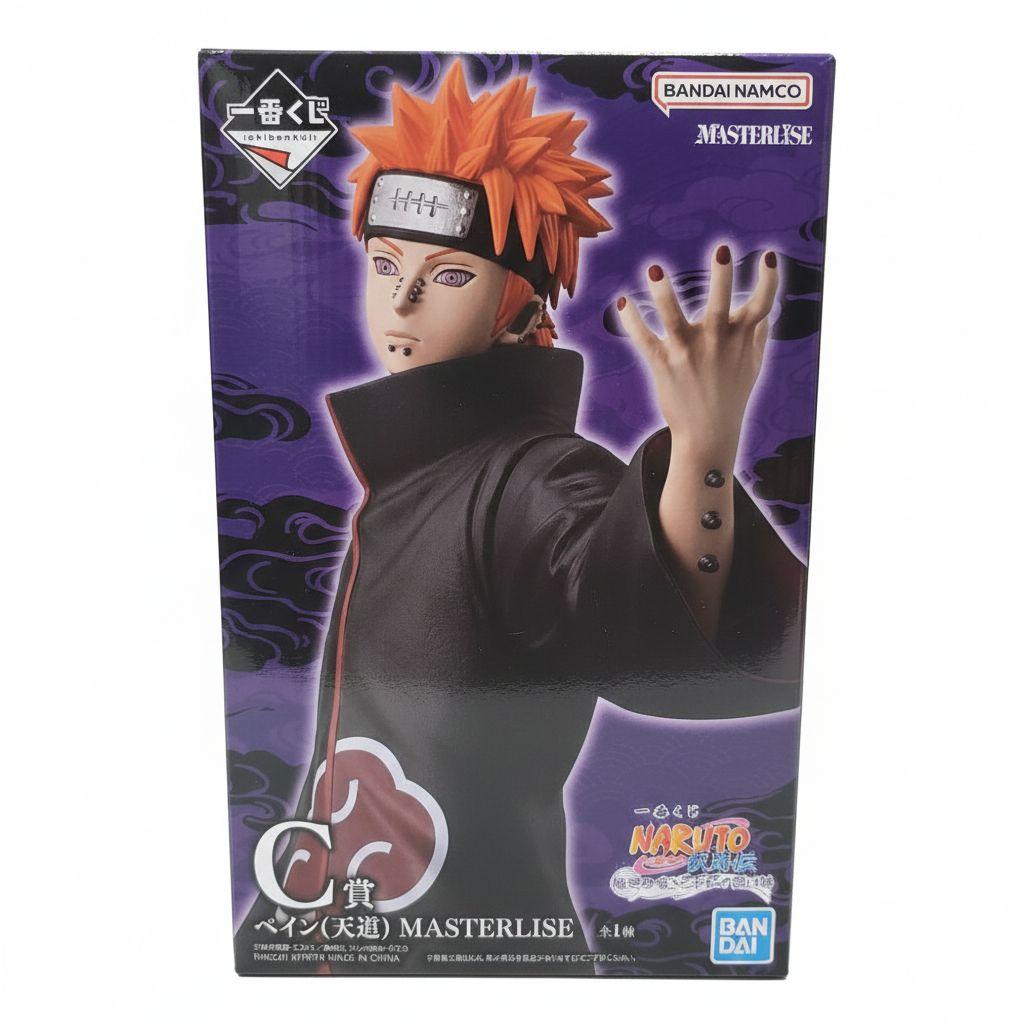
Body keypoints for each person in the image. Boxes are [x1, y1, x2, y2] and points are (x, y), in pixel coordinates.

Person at [237, 59, 805, 973]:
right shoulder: (413, 473)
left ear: (518, 308)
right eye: (385, 264)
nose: (401, 302)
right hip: (343, 936)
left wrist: (701, 451)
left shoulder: (534, 474)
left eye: (449, 274)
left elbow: (629, 621)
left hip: (475, 952)